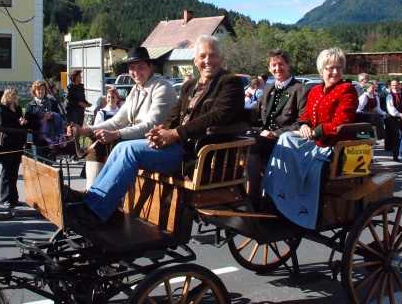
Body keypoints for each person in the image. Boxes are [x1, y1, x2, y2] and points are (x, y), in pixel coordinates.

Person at [66, 35, 245, 227]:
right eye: (202, 57)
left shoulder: (229, 82)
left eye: (212, 56)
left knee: (129, 151)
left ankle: (95, 211)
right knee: (120, 149)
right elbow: (173, 116)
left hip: (197, 154)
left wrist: (174, 134)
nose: (207, 61)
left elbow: (215, 116)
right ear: (195, 61)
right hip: (177, 146)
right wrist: (160, 130)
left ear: (222, 58)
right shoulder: (189, 86)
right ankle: (92, 198)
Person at [263, 47, 359, 229]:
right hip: (313, 140)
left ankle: (295, 203)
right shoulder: (315, 91)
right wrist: (305, 125)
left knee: (285, 139)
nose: (335, 72)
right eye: (330, 68)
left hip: (333, 144)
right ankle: (278, 191)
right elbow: (305, 115)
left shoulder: (347, 90)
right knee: (286, 139)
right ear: (321, 71)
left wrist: (315, 131)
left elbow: (342, 121)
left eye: (339, 68)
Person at [68, 47, 178, 192]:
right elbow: (118, 121)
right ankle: (90, 192)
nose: (136, 73)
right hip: (138, 138)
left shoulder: (162, 87)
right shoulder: (136, 89)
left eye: (141, 67)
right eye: (132, 68)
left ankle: (97, 197)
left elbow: (150, 125)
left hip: (156, 142)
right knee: (96, 140)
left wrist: (116, 134)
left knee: (111, 143)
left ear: (150, 66)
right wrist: (85, 131)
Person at [247, 49, 310, 201]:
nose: (277, 68)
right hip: (264, 139)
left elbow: (302, 123)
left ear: (289, 65)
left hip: (285, 144)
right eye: (273, 65)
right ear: (269, 68)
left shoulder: (301, 90)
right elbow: (254, 113)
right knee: (238, 141)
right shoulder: (268, 89)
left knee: (250, 148)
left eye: (281, 64)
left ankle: (254, 199)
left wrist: (275, 133)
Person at [0, 86, 28, 208]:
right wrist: (17, 123)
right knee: (6, 171)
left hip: (17, 142)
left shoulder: (18, 108)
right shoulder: (1, 109)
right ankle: (5, 198)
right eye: (12, 94)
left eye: (16, 94)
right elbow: (1, 125)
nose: (14, 96)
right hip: (6, 143)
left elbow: (21, 126)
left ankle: (14, 197)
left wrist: (24, 123)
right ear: (6, 96)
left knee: (14, 171)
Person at [24, 80, 66, 162]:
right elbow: (29, 124)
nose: (41, 91)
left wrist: (52, 116)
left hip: (51, 137)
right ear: (34, 91)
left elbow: (61, 117)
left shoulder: (52, 102)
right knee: (39, 163)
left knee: (49, 164)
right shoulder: (30, 105)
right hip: (37, 138)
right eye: (38, 89)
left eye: (42, 89)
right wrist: (43, 120)